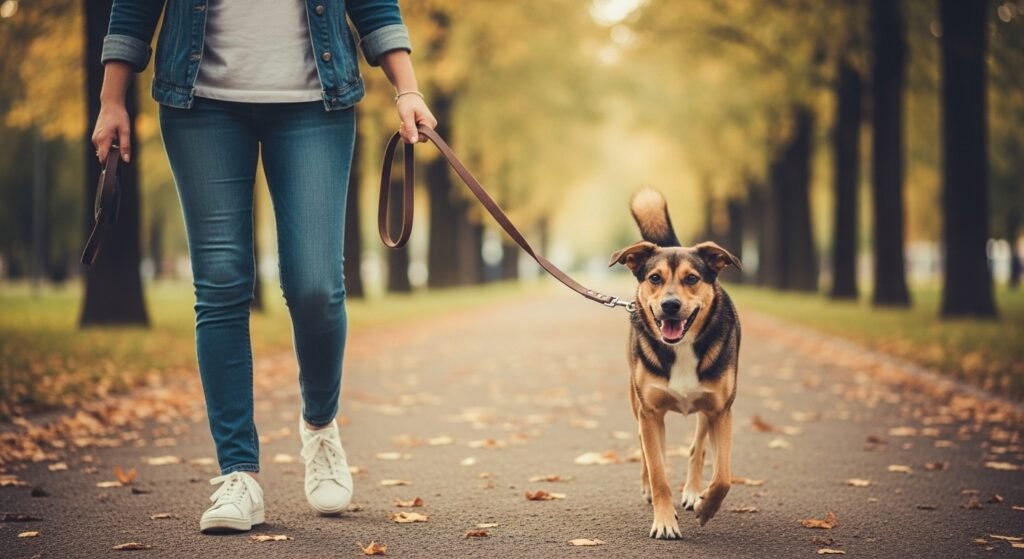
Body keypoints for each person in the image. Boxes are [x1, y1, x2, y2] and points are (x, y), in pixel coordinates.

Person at [91, 0, 436, 534]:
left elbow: (373, 4)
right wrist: (111, 99)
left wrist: (407, 88)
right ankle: (238, 474)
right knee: (220, 284)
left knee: (316, 286)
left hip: (316, 99)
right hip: (199, 100)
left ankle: (319, 428)